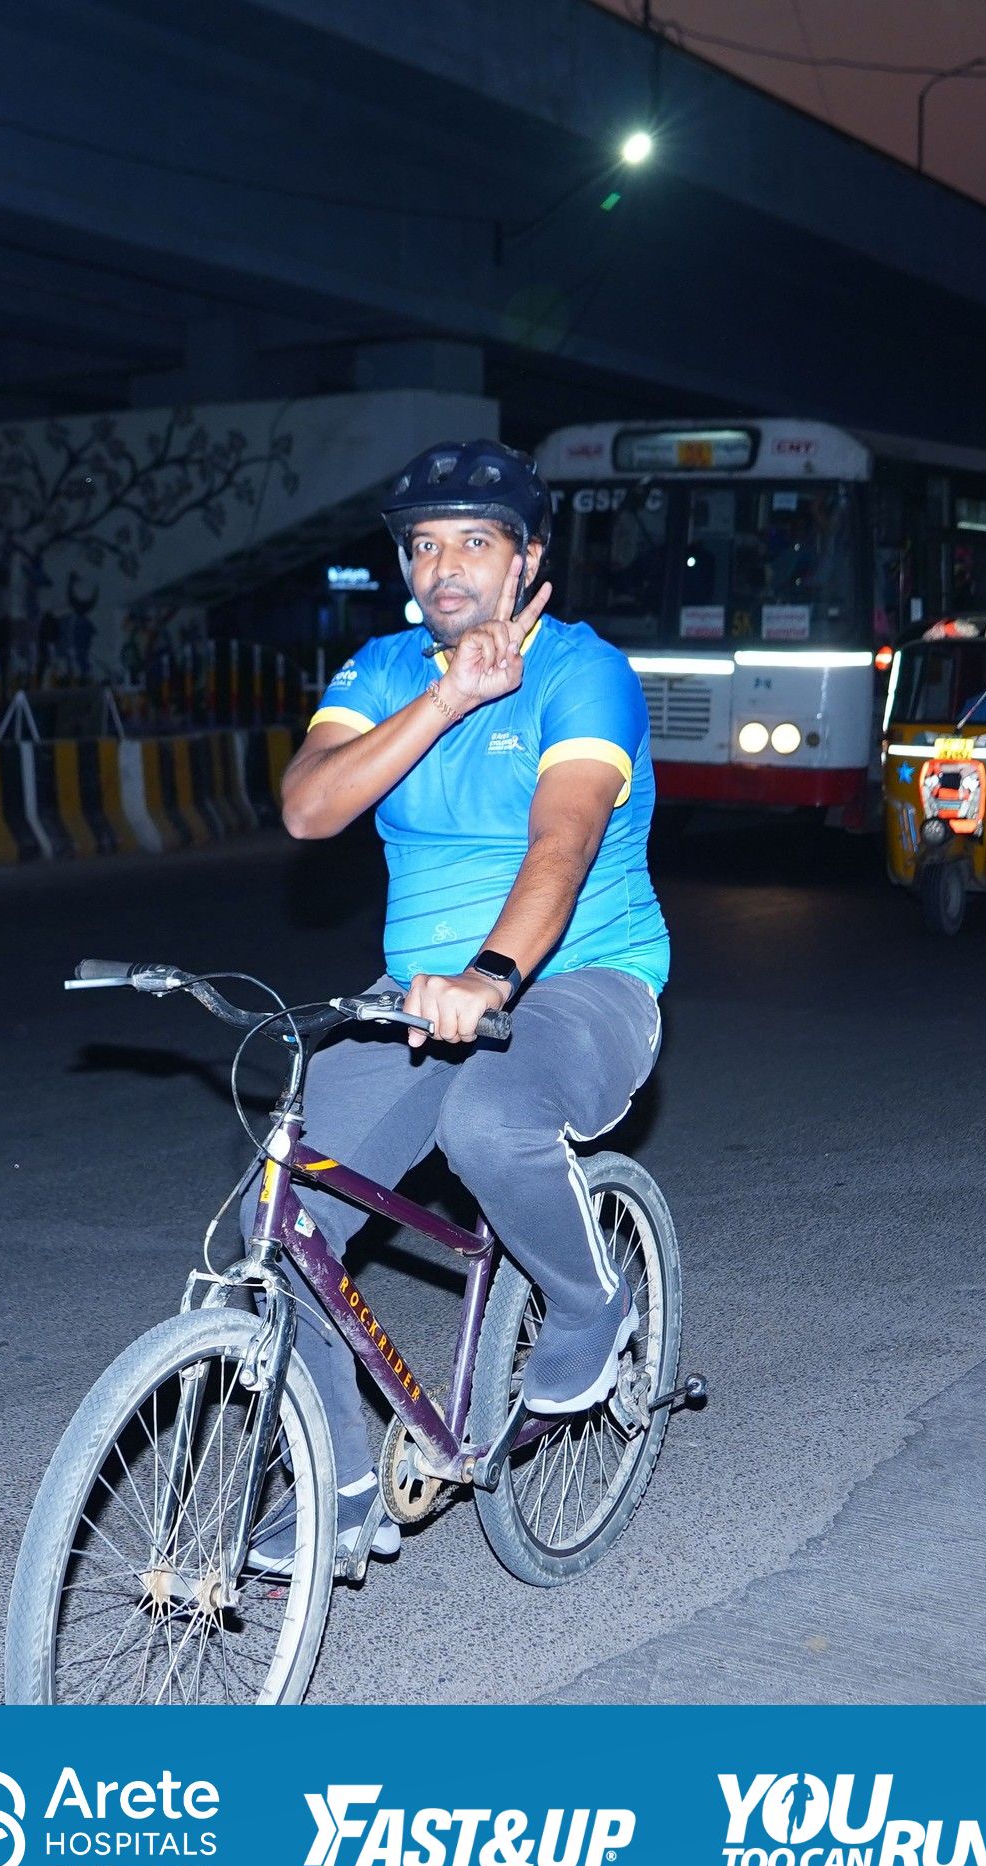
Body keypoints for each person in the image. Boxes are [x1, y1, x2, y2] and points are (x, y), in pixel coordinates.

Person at [264, 437, 670, 1567]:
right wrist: (447, 698)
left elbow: (563, 842)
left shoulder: (584, 672)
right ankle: (340, 1488)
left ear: (527, 558)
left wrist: (492, 976)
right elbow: (309, 808)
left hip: (580, 981)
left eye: (475, 542)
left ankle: (588, 1306)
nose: (445, 567)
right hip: (417, 998)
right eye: (425, 544)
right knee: (286, 1215)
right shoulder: (385, 671)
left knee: (487, 1117)